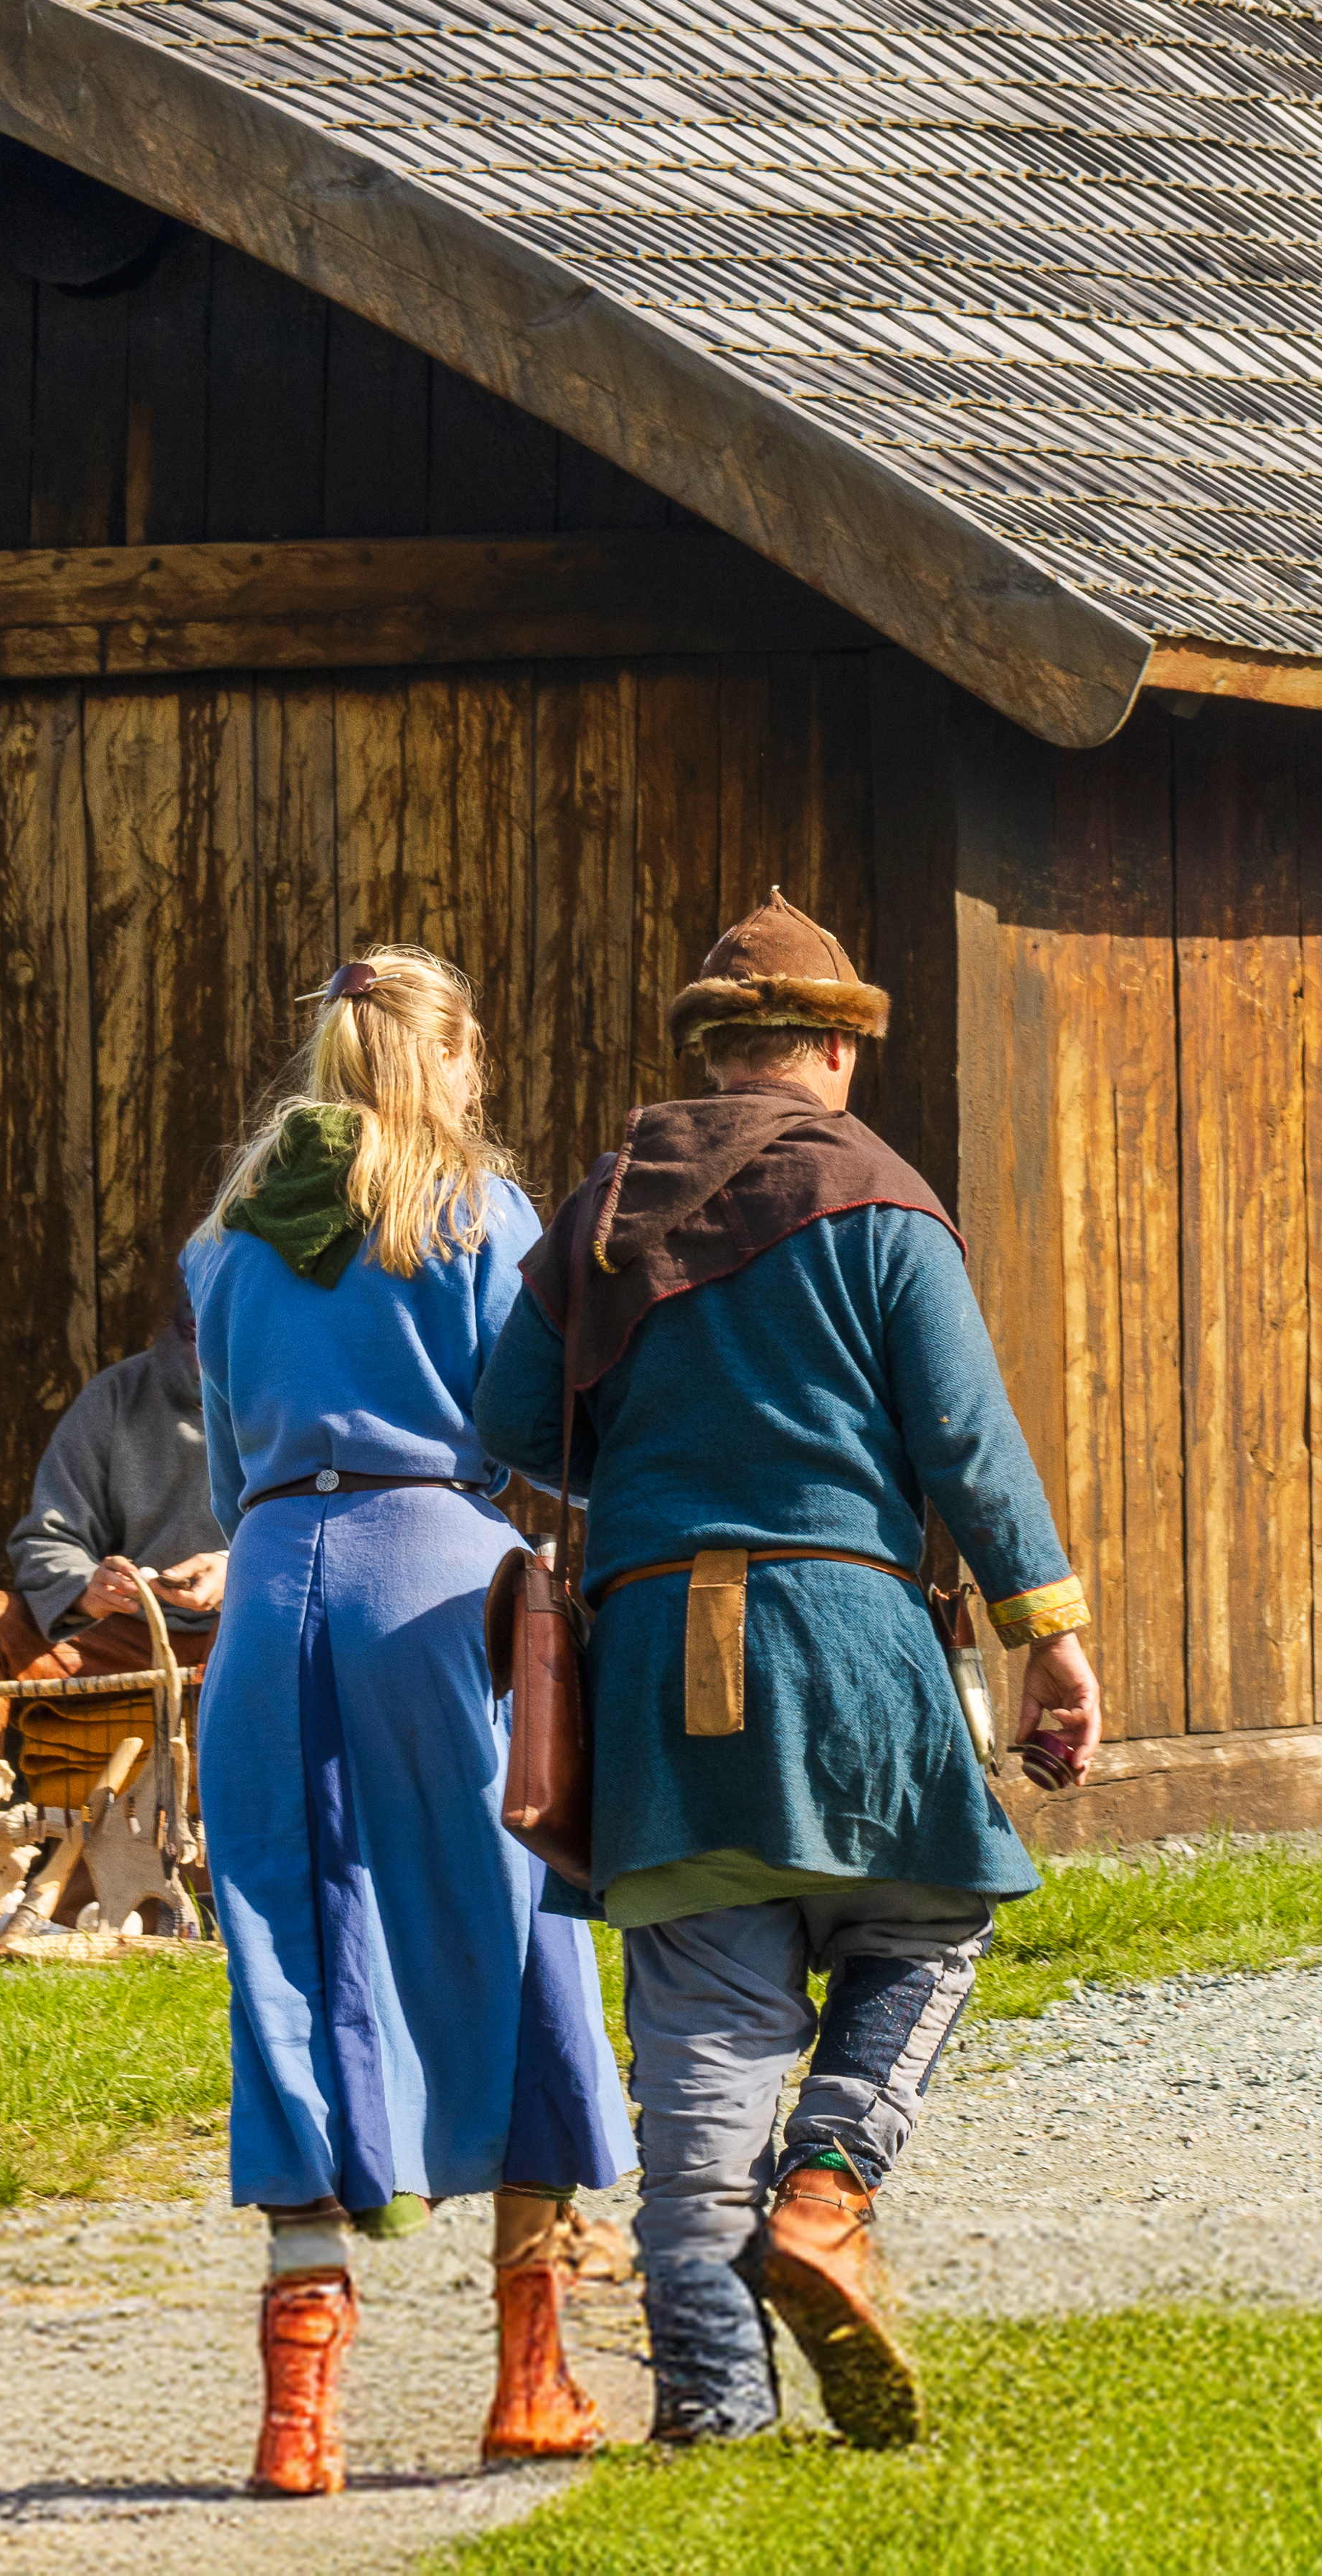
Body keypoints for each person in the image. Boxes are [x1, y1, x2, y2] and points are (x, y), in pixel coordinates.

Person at [474, 891, 1105, 2452]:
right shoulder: (879, 1194)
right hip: (848, 1649)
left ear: (707, 1056)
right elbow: (963, 1440)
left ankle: (710, 2401)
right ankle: (828, 2197)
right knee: (924, 1926)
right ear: (832, 1047)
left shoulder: (604, 1210)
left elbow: (505, 1423)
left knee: (700, 2049)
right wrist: (1051, 1636)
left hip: (654, 1682)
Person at [187, 947, 632, 2497]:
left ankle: (296, 2426)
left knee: (287, 1951)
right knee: (511, 1925)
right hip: (433, 1577)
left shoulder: (231, 1238)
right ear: (440, 1057)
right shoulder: (471, 1211)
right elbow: (529, 1425)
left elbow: (227, 1454)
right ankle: (533, 2381)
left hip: (264, 1597)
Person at [0, 1292, 224, 1814]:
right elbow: (48, 1538)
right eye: (190, 1332)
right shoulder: (118, 1395)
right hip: (129, 1637)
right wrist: (87, 1590)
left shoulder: (302, 1394)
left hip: (248, 1635)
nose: (203, 1347)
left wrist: (241, 1570)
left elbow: (336, 1529)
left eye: (219, 1329)